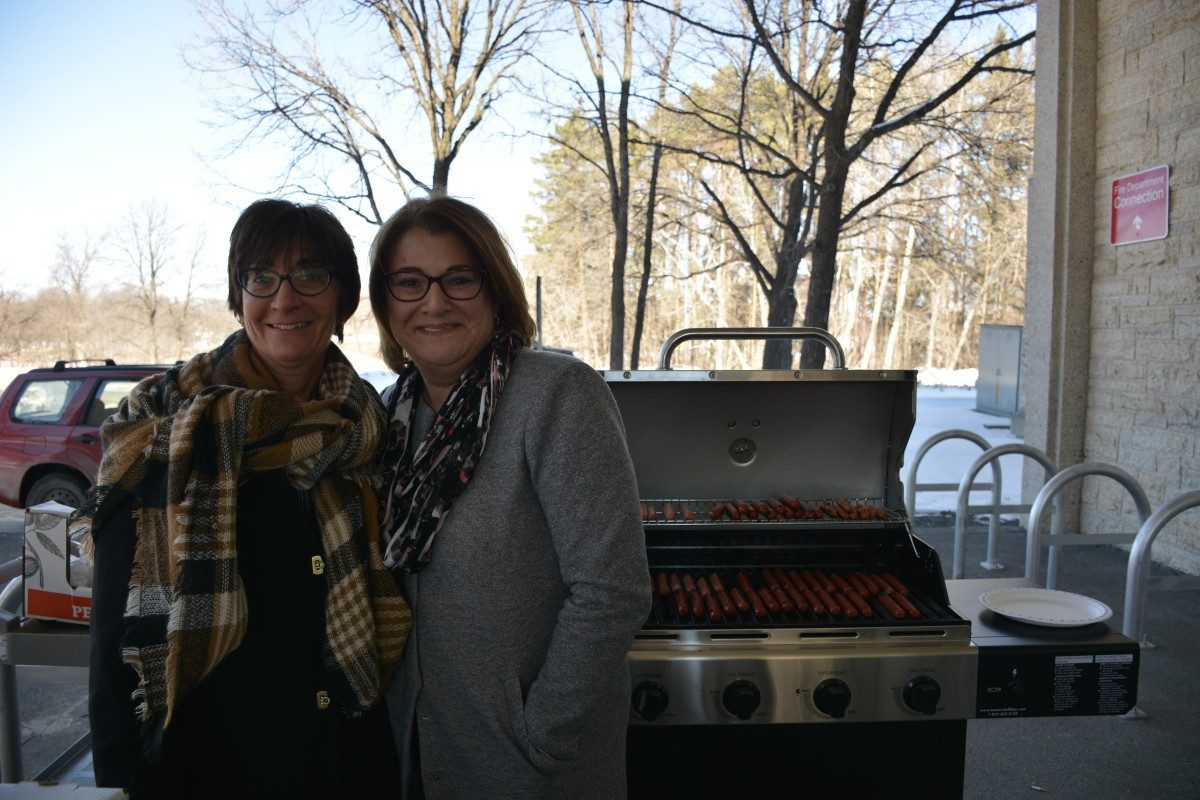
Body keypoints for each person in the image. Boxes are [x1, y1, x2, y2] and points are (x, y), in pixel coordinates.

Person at [79, 199, 412, 798]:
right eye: (261, 277)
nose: (285, 299)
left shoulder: (368, 429)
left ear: (343, 300)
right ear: (240, 298)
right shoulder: (165, 434)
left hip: (349, 763)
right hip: (215, 769)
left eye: (311, 275)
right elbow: (118, 653)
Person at [368, 196, 651, 799]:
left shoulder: (555, 395)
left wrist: (545, 732)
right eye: (410, 282)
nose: (435, 302)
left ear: (494, 290)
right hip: (420, 756)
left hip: (530, 770)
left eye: (460, 279)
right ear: (386, 301)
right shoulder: (392, 416)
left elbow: (612, 589)